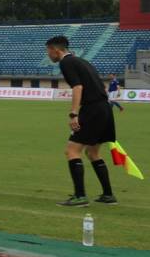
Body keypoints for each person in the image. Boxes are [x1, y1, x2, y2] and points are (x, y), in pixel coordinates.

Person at [46, 35, 117, 206]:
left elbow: (78, 87)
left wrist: (74, 114)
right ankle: (108, 195)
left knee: (72, 151)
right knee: (93, 153)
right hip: (105, 109)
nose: (48, 55)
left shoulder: (66, 63)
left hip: (92, 109)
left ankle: (80, 196)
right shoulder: (82, 61)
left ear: (56, 50)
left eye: (48, 51)